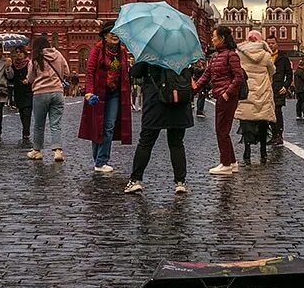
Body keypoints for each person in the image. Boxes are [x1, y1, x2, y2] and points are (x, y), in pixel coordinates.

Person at [124, 59, 195, 195]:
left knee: (146, 142)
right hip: (177, 102)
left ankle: (136, 180)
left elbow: (135, 72)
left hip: (155, 103)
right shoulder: (181, 53)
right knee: (176, 144)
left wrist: (141, 60)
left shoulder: (151, 53)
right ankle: (180, 182)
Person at [78, 24, 132, 174]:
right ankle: (98, 160)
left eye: (117, 33)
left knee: (108, 126)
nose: (115, 36)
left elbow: (124, 72)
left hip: (114, 94)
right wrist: (89, 92)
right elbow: (90, 72)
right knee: (97, 126)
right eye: (111, 33)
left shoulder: (122, 51)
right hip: (98, 94)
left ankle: (102, 161)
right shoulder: (97, 49)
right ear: (105, 35)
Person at [193, 25, 246, 176]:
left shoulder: (231, 55)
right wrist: (193, 89)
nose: (212, 39)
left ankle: (225, 164)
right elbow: (206, 75)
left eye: (214, 37)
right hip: (221, 95)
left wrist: (227, 93)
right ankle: (232, 162)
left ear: (222, 38)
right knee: (223, 130)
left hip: (226, 97)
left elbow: (239, 77)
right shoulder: (215, 57)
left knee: (221, 130)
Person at [24, 35, 74, 162]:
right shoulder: (58, 55)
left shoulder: (35, 59)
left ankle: (37, 151)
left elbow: (30, 78)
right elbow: (67, 72)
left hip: (40, 93)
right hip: (57, 92)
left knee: (39, 125)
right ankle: (58, 152)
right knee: (55, 124)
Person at [235, 30, 277, 165]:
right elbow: (273, 70)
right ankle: (263, 151)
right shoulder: (265, 55)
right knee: (262, 120)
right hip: (262, 90)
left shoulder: (240, 54)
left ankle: (247, 150)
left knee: (246, 120)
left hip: (246, 90)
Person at [8, 47, 33, 145]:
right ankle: (25, 129)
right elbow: (10, 77)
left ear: (24, 53)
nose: (19, 54)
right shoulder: (14, 65)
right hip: (18, 91)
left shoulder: (29, 63)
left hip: (28, 91)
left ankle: (26, 132)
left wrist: (28, 80)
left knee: (27, 111)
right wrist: (8, 67)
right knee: (22, 112)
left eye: (20, 52)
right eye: (17, 52)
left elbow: (33, 75)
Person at [271, 40, 293, 143]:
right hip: (266, 88)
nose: (271, 45)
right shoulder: (265, 56)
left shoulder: (283, 58)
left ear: (276, 44)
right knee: (269, 113)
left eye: (272, 43)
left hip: (279, 89)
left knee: (277, 112)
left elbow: (289, 74)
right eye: (269, 43)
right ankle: (273, 135)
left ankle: (279, 135)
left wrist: (285, 86)